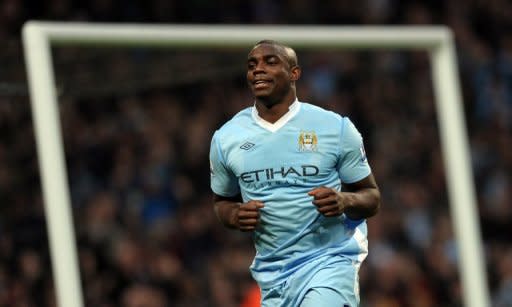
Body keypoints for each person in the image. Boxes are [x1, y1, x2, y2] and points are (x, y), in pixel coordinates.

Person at [209, 40, 381, 307]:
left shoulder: (335, 128)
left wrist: (344, 201)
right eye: (252, 65)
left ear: (294, 73)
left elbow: (371, 196)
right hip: (272, 274)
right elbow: (222, 203)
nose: (258, 70)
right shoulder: (226, 138)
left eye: (271, 62)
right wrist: (234, 214)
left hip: (328, 262)